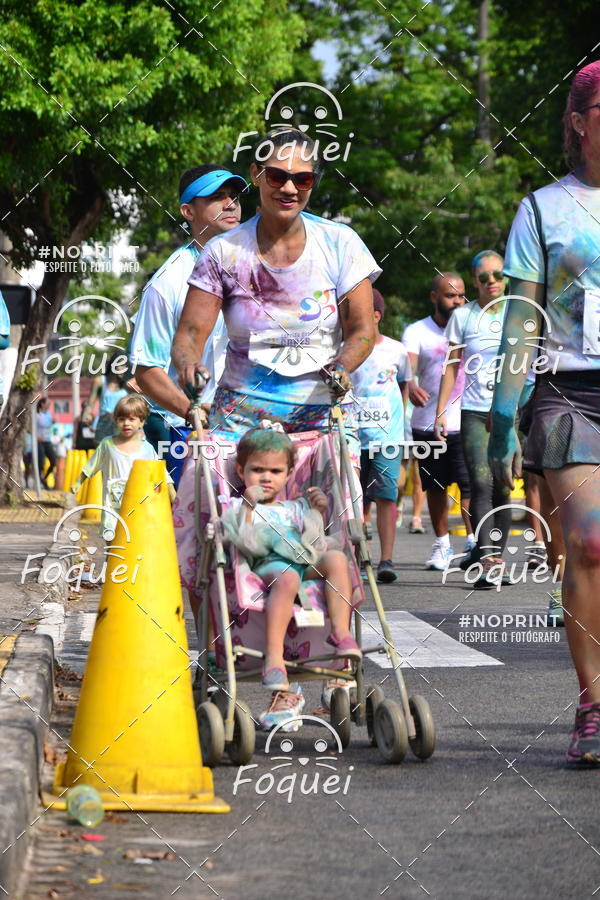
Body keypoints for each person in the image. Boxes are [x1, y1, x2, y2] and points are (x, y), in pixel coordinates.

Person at [489, 61, 600, 765]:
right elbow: (521, 321)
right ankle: (594, 706)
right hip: (571, 391)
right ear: (582, 122)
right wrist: (503, 417)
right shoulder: (541, 209)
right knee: (590, 543)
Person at [172, 127, 380, 456]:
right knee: (226, 506)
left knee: (330, 506)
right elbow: (189, 335)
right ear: (256, 174)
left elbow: (363, 330)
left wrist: (342, 365)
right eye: (276, 176)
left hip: (322, 420)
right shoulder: (222, 251)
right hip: (239, 424)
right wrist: (189, 366)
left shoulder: (341, 243)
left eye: (302, 180)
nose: (288, 188)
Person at [129, 164, 247, 484]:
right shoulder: (168, 284)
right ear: (188, 211)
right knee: (200, 529)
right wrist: (194, 414)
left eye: (234, 196)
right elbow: (147, 370)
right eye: (217, 197)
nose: (231, 203)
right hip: (190, 434)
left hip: (254, 427)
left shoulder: (261, 266)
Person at [222, 428, 361, 692]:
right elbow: (244, 542)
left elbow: (313, 544)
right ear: (241, 471)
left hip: (301, 559)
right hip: (267, 565)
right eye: (257, 470)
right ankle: (274, 657)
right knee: (287, 576)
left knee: (336, 559)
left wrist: (317, 513)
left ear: (288, 474)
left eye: (275, 472)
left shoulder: (295, 507)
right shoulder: (239, 506)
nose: (266, 477)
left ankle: (341, 633)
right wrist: (248, 509)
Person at [434, 253, 510, 588]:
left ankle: (498, 558)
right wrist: (440, 410)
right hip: (475, 411)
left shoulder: (518, 313)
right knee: (481, 484)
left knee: (504, 487)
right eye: (483, 277)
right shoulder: (463, 316)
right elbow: (451, 367)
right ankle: (489, 558)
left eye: (498, 274)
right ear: (474, 281)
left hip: (510, 413)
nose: (491, 281)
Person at [403, 273, 473, 570]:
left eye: (461, 296)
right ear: (434, 297)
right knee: (435, 486)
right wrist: (411, 385)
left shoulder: (475, 329)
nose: (456, 301)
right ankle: (442, 545)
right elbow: (407, 369)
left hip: (469, 419)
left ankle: (474, 544)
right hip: (428, 423)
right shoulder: (417, 331)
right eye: (449, 295)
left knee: (471, 486)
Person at [351, 289, 411, 582]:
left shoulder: (396, 351)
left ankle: (386, 559)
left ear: (376, 315)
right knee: (354, 498)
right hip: (352, 436)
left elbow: (403, 387)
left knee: (387, 496)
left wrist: (399, 428)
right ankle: (356, 557)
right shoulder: (343, 349)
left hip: (387, 438)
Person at [71, 395, 173, 539]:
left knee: (134, 541)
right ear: (116, 420)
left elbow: (161, 473)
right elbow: (91, 466)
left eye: (132, 419)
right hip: (112, 506)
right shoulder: (107, 445)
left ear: (142, 422)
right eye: (122, 419)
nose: (126, 423)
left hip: (138, 505)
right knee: (112, 542)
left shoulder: (147, 449)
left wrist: (172, 493)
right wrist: (78, 482)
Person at [36, 397, 56, 488]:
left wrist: (53, 422)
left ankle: (44, 478)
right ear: (42, 404)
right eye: (48, 404)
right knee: (41, 463)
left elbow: (48, 425)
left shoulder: (48, 414)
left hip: (48, 441)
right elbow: (29, 429)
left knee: (53, 462)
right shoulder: (36, 415)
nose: (49, 406)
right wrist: (36, 436)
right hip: (39, 442)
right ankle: (40, 481)